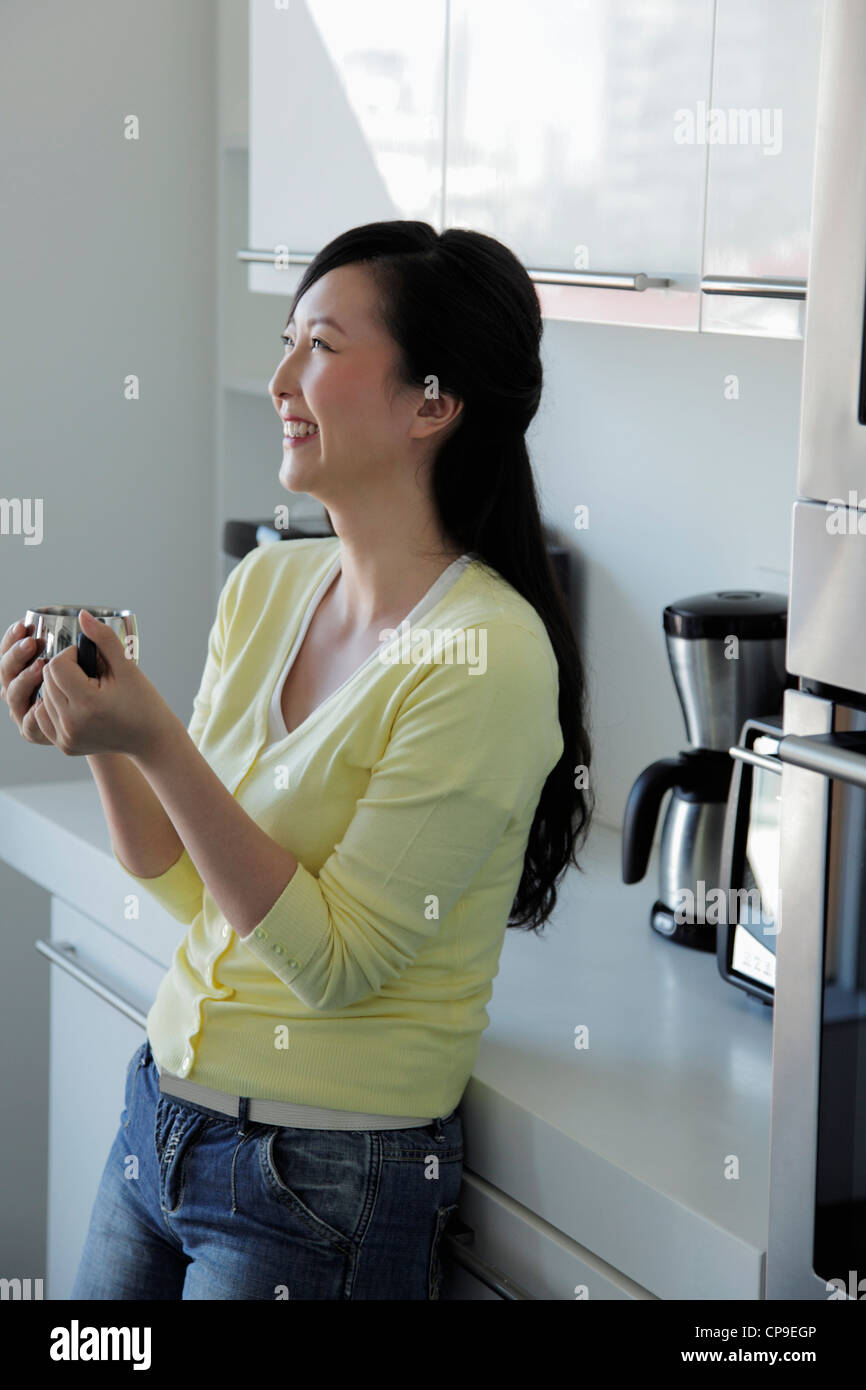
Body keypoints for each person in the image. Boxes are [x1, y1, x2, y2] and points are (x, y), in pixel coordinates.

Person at [0, 220, 594, 1300]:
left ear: (432, 401)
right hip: (158, 1122)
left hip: (321, 1184)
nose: (280, 378)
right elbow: (194, 892)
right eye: (286, 342)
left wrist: (155, 738)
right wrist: (100, 742)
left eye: (318, 345)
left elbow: (336, 964)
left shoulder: (487, 656)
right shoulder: (269, 587)